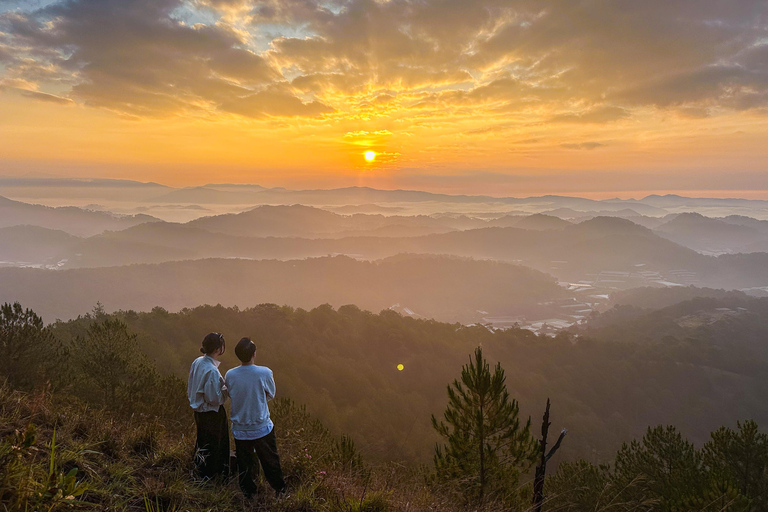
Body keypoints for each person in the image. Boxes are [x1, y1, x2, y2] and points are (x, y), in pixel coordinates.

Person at [225, 337, 287, 499]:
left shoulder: (230, 374)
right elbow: (270, 394)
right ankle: (280, 490)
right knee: (270, 460)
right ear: (254, 354)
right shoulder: (265, 372)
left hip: (240, 429)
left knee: (245, 463)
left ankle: (249, 494)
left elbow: (231, 393)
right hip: (261, 427)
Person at [187, 332, 229, 480]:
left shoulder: (197, 361)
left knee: (202, 442)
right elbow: (213, 398)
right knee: (214, 446)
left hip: (199, 410)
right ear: (218, 349)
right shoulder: (211, 370)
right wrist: (226, 392)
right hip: (211, 412)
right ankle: (209, 477)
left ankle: (199, 472)